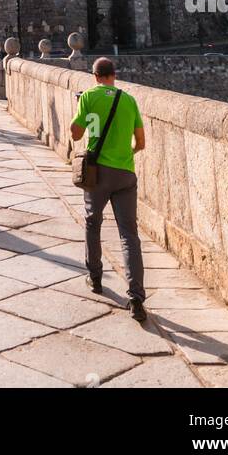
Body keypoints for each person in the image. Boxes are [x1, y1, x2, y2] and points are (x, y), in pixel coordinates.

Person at [70, 56, 147, 322]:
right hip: (126, 174)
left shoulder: (89, 97)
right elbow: (141, 142)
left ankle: (95, 278)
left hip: (98, 174)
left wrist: (82, 112)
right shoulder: (129, 99)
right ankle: (136, 297)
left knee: (93, 223)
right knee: (129, 235)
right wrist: (126, 155)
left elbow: (76, 133)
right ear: (114, 75)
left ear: (94, 76)